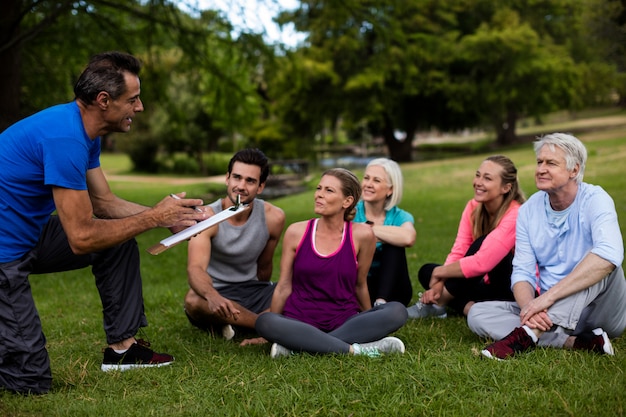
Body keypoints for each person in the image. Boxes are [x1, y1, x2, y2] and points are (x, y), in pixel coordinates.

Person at [0, 52, 207, 394]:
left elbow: (105, 204)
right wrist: (153, 216)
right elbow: (81, 237)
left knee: (118, 240)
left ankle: (123, 351)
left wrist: (171, 218)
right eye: (133, 100)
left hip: (28, 236)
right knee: (30, 382)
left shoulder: (86, 132)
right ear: (104, 101)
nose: (139, 109)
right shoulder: (64, 139)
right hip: (5, 254)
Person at [468, 133, 626, 360]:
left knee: (600, 263)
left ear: (574, 170)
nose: (541, 169)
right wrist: (529, 308)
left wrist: (547, 298)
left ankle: (526, 336)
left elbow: (609, 255)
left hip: (600, 310)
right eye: (539, 162)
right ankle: (577, 342)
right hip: (551, 315)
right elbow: (522, 271)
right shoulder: (528, 211)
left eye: (551, 163)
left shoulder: (595, 199)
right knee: (477, 313)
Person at [252, 168, 408, 358]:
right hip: (300, 319)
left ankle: (300, 347)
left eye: (329, 190)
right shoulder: (296, 232)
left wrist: (369, 320)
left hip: (344, 320)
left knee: (397, 311)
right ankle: (354, 349)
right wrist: (268, 332)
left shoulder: (363, 235)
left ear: (347, 201)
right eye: (319, 188)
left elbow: (360, 285)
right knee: (265, 321)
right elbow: (284, 285)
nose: (319, 195)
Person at [184, 149, 285, 340]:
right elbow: (195, 268)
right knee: (193, 301)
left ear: (261, 186)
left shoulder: (274, 217)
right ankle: (264, 325)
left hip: (253, 291)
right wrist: (212, 296)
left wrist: (269, 296)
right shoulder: (206, 217)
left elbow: (264, 267)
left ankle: (235, 323)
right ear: (227, 178)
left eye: (250, 181)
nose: (241, 186)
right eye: (237, 177)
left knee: (298, 289)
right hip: (216, 291)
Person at [407, 155, 525, 319]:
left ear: (506, 188)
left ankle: (440, 303)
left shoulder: (516, 213)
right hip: (485, 285)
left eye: (487, 178)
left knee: (482, 243)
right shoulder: (473, 207)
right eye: (478, 175)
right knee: (427, 271)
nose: (478, 182)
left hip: (513, 288)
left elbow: (482, 262)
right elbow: (460, 250)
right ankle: (469, 308)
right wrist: (440, 280)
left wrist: (440, 272)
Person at [354, 158, 416, 307]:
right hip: (359, 286)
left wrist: (366, 230)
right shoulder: (351, 213)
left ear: (390, 189)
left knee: (394, 244)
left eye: (376, 180)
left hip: (394, 290)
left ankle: (381, 303)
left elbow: (408, 237)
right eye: (366, 178)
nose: (368, 184)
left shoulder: (400, 216)